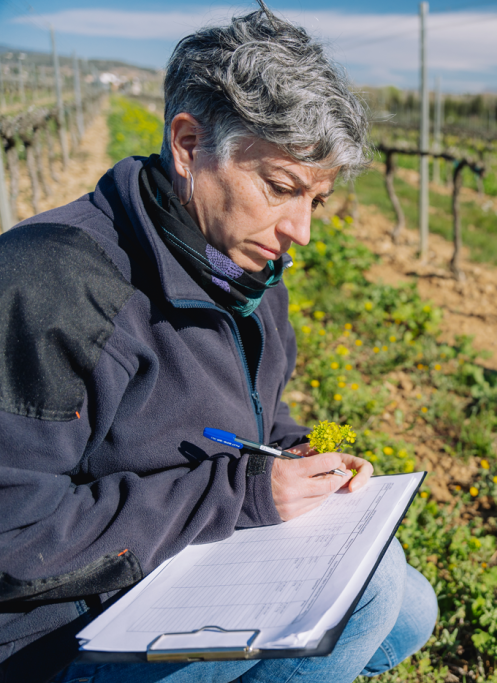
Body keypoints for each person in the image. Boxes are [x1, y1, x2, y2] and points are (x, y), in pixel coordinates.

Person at [0, 6, 437, 682]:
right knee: (371, 596)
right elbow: (13, 536)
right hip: (62, 633)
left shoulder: (245, 262)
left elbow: (241, 421)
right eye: (282, 188)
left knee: (412, 604)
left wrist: (293, 456)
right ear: (187, 143)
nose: (302, 231)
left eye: (315, 200)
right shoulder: (50, 283)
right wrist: (244, 495)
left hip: (170, 563)